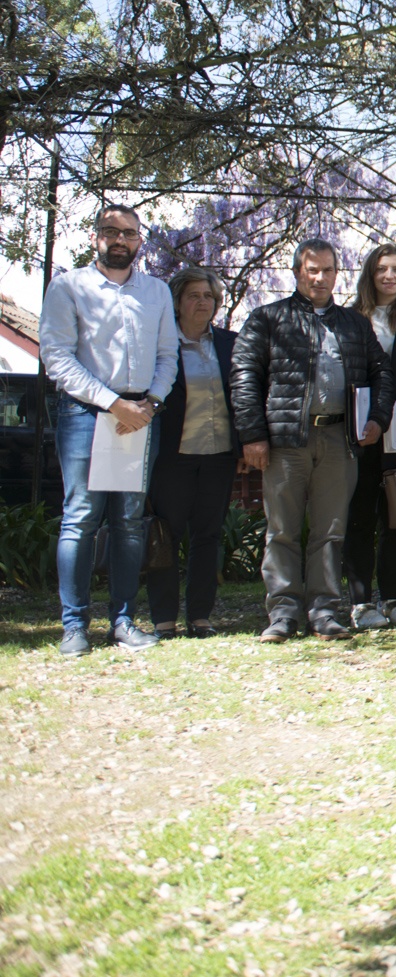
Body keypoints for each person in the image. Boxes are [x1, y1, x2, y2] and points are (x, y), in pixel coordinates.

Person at [231, 238, 391, 643]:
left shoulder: (354, 323)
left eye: (328, 270)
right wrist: (252, 436)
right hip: (286, 441)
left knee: (330, 531)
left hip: (340, 440)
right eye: (312, 270)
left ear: (338, 274)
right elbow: (244, 377)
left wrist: (377, 419)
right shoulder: (268, 318)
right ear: (298, 272)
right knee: (281, 530)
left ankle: (323, 610)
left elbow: (382, 374)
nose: (320, 277)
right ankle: (282, 613)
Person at [42, 205, 179, 655]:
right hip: (86, 415)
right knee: (81, 518)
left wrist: (149, 403)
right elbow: (57, 357)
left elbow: (167, 356)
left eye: (129, 234)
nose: (120, 240)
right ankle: (74, 626)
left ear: (140, 241)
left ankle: (122, 621)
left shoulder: (156, 292)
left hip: (141, 415)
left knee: (129, 523)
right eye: (110, 232)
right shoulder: (68, 287)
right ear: (95, 237)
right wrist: (113, 404)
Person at [148, 266, 237, 640]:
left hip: (218, 454)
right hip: (174, 455)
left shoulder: (230, 344)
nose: (202, 303)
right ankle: (163, 618)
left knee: (208, 535)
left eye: (209, 297)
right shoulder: (161, 345)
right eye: (193, 296)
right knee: (165, 536)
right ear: (177, 303)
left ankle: (200, 616)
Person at [344, 244, 396, 629]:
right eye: (382, 269)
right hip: (358, 432)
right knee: (359, 516)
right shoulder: (349, 318)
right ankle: (361, 602)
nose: (390, 276)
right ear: (370, 275)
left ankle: (393, 598)